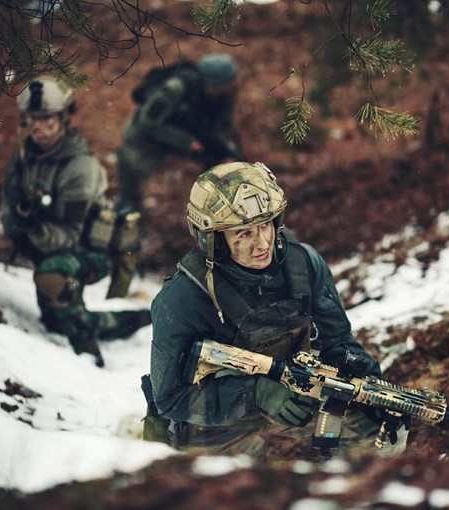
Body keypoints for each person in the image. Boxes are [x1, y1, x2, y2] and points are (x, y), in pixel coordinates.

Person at [146, 161, 409, 458]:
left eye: (266, 225)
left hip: (297, 399)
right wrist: (256, 394)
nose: (263, 243)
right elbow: (169, 399)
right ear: (214, 242)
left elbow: (337, 342)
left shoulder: (303, 264)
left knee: (378, 439)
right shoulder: (182, 299)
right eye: (244, 234)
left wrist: (369, 389)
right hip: (216, 424)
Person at [0, 75, 151, 368]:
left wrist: (27, 226)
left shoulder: (79, 167)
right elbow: (7, 209)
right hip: (48, 249)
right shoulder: (22, 159)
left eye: (47, 119)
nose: (37, 127)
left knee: (52, 277)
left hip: (88, 253)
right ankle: (132, 320)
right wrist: (19, 220)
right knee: (57, 322)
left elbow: (70, 235)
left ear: (64, 118)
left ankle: (88, 356)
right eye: (31, 119)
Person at [106, 53, 246, 299]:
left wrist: (230, 157)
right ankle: (119, 276)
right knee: (130, 206)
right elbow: (147, 123)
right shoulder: (176, 88)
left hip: (184, 143)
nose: (227, 90)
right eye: (223, 86)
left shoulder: (222, 96)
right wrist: (186, 142)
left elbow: (223, 129)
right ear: (211, 83)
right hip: (142, 144)